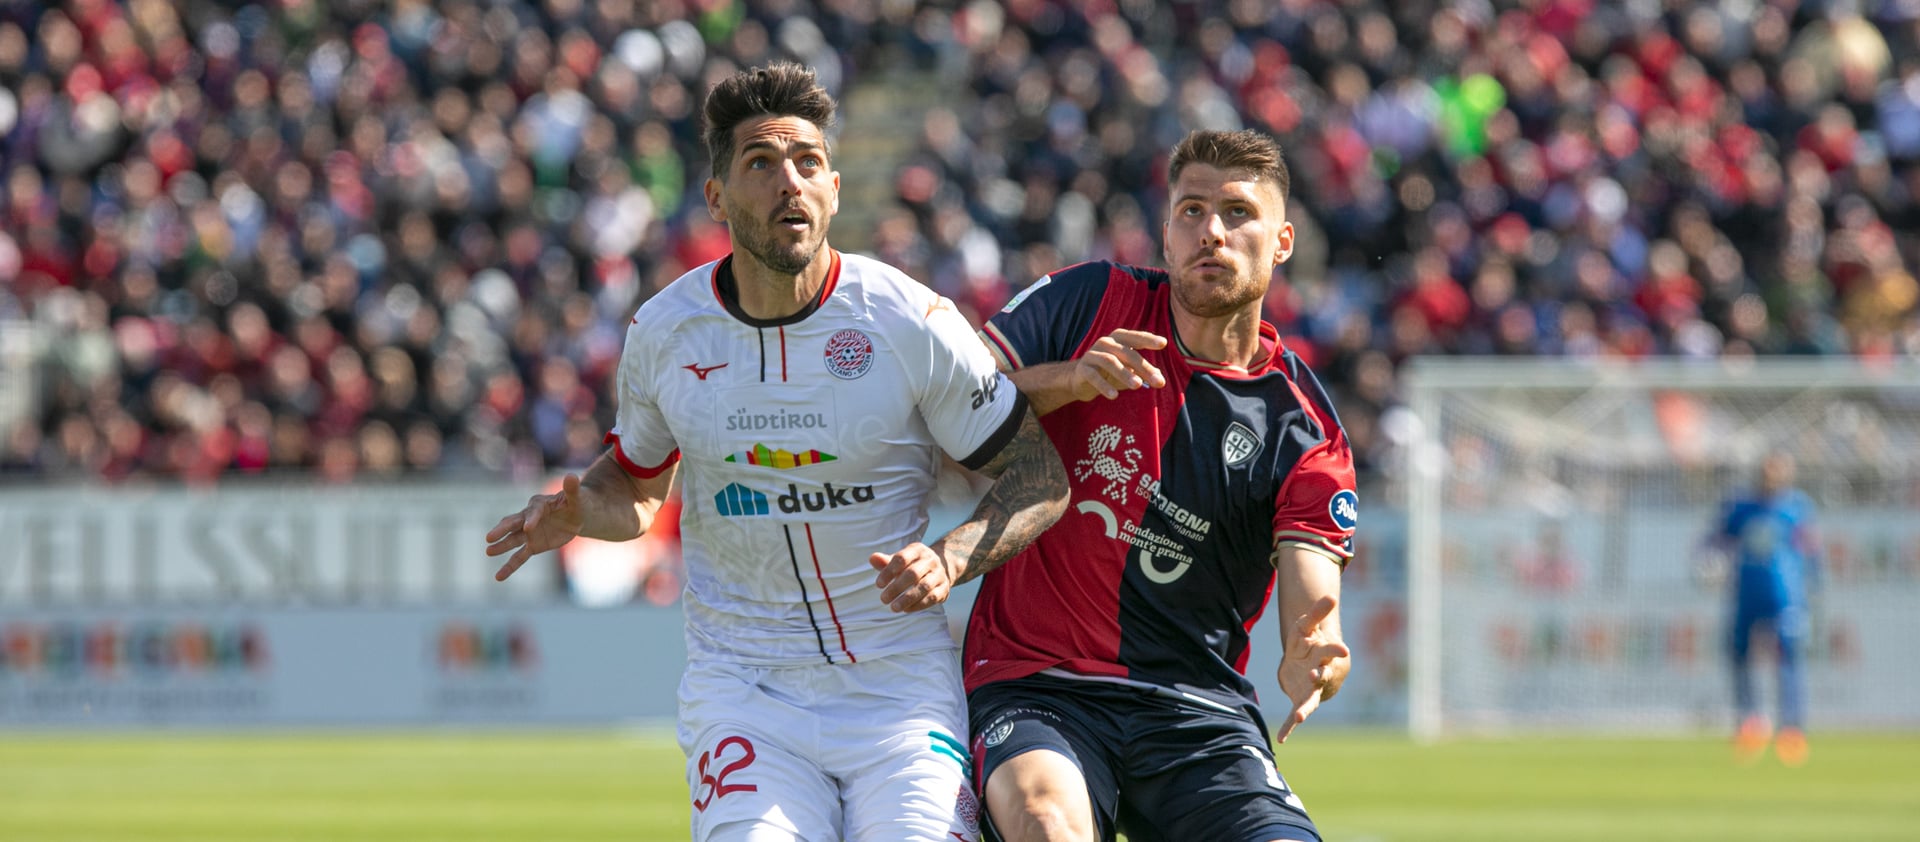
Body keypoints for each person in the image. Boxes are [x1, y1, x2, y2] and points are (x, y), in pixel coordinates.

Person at [484, 62, 1069, 841]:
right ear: (717, 196)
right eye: (761, 163)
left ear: (832, 185)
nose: (790, 181)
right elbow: (636, 488)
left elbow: (1038, 476)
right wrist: (580, 511)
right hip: (745, 691)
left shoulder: (909, 320)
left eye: (808, 162)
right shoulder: (665, 331)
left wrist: (952, 556)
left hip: (898, 694)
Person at [964, 129, 1355, 842]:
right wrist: (1069, 381)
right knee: (1048, 825)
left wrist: (1314, 642)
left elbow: (1312, 583)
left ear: (1283, 241)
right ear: (1166, 235)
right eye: (1191, 211)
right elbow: (949, 417)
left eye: (1238, 213)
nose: (1212, 231)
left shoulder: (1304, 426)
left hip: (1195, 712)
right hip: (1038, 686)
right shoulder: (1088, 302)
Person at [1708, 452, 1820, 766]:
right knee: (1740, 655)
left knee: (1788, 658)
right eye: (1768, 472)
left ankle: (1791, 729)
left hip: (1786, 595)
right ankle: (1750, 722)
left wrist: (1813, 585)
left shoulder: (1796, 507)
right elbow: (1717, 539)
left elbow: (1810, 549)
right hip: (1746, 593)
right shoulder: (1741, 507)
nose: (1773, 478)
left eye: (1779, 472)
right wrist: (1709, 559)